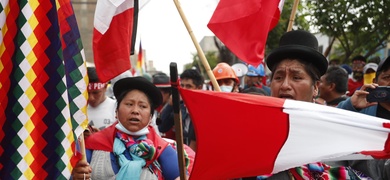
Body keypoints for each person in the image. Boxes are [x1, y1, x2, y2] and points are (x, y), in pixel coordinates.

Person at [261, 30, 365, 179]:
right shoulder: (254, 131)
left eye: (296, 77)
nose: (284, 85)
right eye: (278, 77)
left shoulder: (339, 137)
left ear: (315, 87)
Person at [72, 77, 189, 180]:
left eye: (143, 106)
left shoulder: (162, 150)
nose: (135, 111)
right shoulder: (92, 144)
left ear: (151, 116)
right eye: (129, 104)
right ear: (116, 111)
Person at [336, 55, 390, 179]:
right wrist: (351, 105)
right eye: (387, 77)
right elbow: (331, 126)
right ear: (375, 82)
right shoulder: (361, 108)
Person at [158, 69, 203, 149]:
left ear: (199, 88)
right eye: (182, 86)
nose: (183, 89)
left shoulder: (204, 110)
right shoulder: (180, 108)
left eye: (188, 86)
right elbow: (162, 127)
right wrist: (170, 105)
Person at [86, 67, 116, 131]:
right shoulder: (76, 108)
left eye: (96, 93)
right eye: (87, 93)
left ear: (105, 87)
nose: (91, 98)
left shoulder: (116, 108)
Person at [152, 72, 174, 139]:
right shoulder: (151, 107)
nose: (157, 96)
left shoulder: (176, 109)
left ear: (168, 92)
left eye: (160, 92)